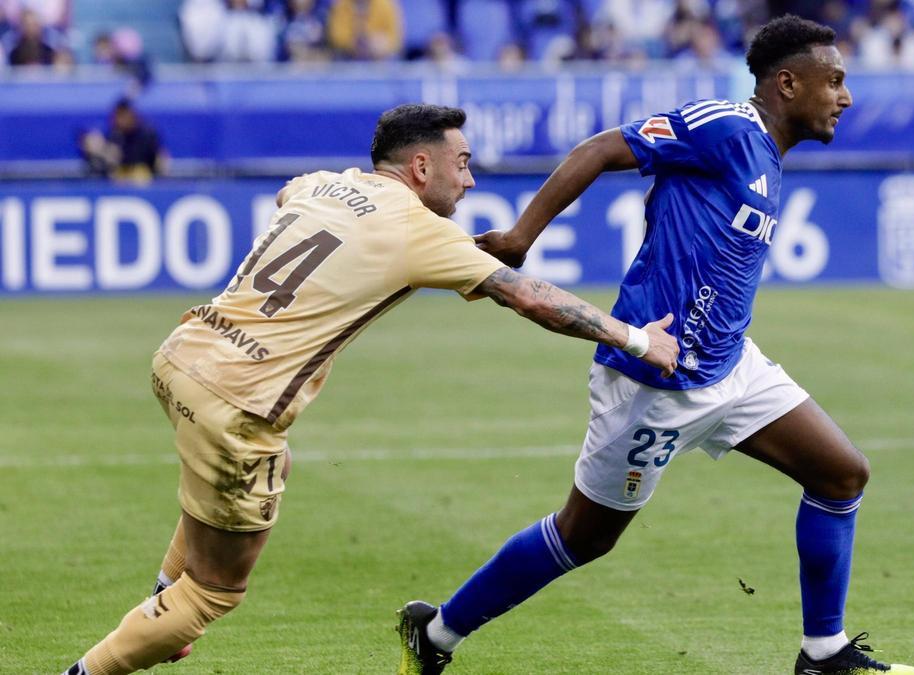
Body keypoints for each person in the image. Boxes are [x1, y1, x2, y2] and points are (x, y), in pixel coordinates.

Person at [61, 103, 678, 675]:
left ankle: (164, 601)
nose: (468, 181)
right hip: (240, 403)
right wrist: (636, 340)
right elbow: (529, 296)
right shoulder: (420, 230)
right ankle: (105, 657)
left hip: (183, 356)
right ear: (420, 166)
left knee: (256, 473)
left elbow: (288, 196)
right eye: (461, 165)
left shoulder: (319, 183)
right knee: (217, 590)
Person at [399, 16, 914, 675]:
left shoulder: (765, 154)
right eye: (835, 81)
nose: (845, 97)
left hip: (731, 366)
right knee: (583, 537)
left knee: (841, 473)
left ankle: (823, 654)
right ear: (788, 83)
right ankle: (437, 631)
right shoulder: (727, 126)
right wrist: (520, 238)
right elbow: (598, 149)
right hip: (652, 378)